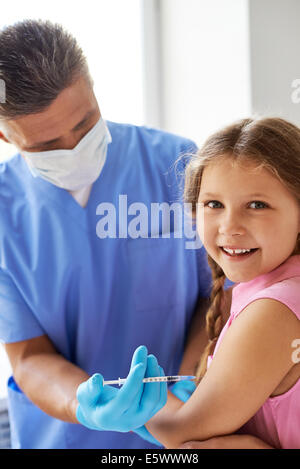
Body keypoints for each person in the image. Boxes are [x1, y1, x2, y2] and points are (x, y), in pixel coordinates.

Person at [0, 19, 214, 449]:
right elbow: (29, 355)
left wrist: (190, 381)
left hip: (184, 429)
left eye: (84, 124)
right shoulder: (6, 210)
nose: (74, 148)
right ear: (5, 134)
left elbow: (217, 295)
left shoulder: (178, 163)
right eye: (47, 146)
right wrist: (86, 406)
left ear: (93, 87)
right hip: (64, 437)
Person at [76, 117, 300, 449]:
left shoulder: (275, 309)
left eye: (257, 205)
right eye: (214, 204)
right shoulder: (265, 287)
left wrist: (137, 406)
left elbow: (185, 435)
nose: (229, 226)